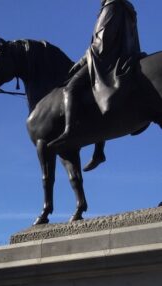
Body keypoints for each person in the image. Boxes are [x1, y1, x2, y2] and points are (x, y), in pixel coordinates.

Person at [51, 0, 141, 171]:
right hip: (124, 56)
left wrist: (80, 63)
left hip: (108, 61)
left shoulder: (111, 6)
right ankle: (99, 151)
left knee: (71, 88)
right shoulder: (127, 8)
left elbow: (100, 44)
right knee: (95, 97)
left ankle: (70, 132)